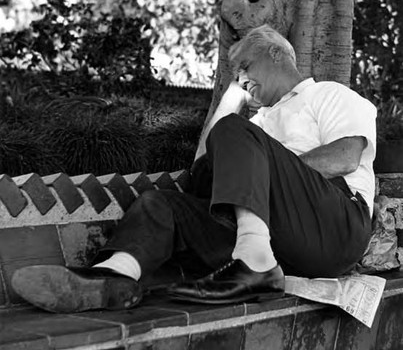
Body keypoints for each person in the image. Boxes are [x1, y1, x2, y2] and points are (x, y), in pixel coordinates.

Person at [12, 25, 376, 313]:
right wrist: (232, 98)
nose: (243, 79)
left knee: (233, 131)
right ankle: (114, 277)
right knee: (162, 203)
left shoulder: (329, 95)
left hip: (334, 226)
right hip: (276, 236)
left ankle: (255, 260)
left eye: (245, 67)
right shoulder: (259, 122)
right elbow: (201, 166)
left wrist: (262, 169)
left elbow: (344, 157)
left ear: (276, 53)